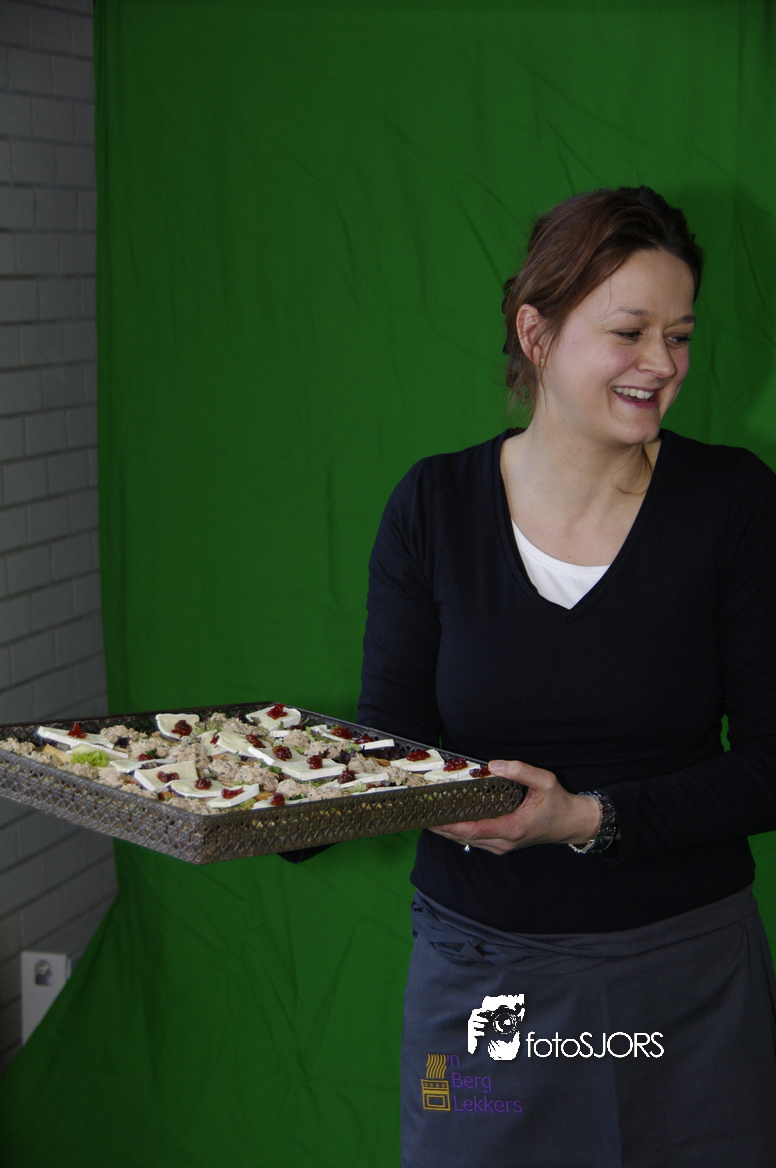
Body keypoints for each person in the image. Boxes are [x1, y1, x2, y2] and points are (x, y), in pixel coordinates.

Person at [358, 186, 776, 1166]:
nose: (662, 363)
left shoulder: (733, 504)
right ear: (535, 333)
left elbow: (768, 768)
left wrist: (584, 818)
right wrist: (274, 804)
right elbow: (388, 748)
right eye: (628, 332)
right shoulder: (433, 507)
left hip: (685, 984)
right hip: (482, 990)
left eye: (679, 335)